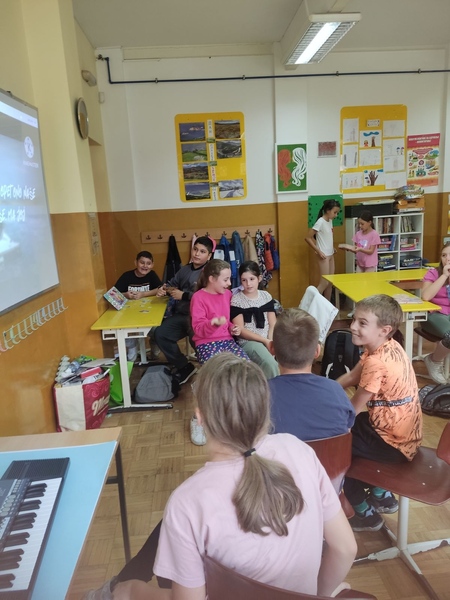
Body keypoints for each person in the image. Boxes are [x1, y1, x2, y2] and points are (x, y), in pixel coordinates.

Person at [96, 353, 357, 600]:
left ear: (200, 417)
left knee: (133, 585)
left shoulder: (188, 501)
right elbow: (346, 549)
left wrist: (131, 591)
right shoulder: (299, 449)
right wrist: (320, 594)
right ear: (264, 409)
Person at [337, 295, 423, 532]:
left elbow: (352, 410)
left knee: (336, 451)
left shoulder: (377, 363)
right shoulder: (389, 346)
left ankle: (363, 512)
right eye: (354, 319)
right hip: (403, 437)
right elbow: (352, 376)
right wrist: (325, 390)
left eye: (362, 323)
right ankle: (380, 494)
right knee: (351, 433)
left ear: (384, 330)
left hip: (392, 444)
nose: (353, 326)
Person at [269, 308, 355, 440]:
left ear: (271, 348)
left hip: (277, 454)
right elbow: (346, 432)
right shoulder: (336, 390)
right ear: (317, 351)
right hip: (329, 454)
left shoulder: (259, 394)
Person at [151, 236, 213, 385]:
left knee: (201, 344)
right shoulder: (184, 270)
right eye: (195, 249)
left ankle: (211, 374)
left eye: (202, 251)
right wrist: (164, 290)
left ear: (209, 255)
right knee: (160, 334)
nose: (197, 254)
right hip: (181, 315)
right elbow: (171, 284)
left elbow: (209, 297)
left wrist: (183, 295)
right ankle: (184, 366)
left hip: (200, 319)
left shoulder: (210, 273)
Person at [190, 259, 248, 365]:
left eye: (229, 279)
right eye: (225, 280)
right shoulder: (198, 297)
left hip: (228, 341)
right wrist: (213, 324)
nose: (229, 283)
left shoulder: (228, 294)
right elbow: (198, 329)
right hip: (205, 343)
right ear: (212, 279)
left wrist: (232, 327)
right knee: (217, 369)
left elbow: (227, 321)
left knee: (245, 366)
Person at [230, 261, 279, 379]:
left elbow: (272, 323)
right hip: (249, 342)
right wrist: (265, 341)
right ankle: (272, 388)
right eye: (244, 280)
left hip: (268, 338)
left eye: (252, 279)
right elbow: (241, 330)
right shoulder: (236, 300)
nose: (248, 284)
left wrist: (270, 341)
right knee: (270, 363)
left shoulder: (266, 296)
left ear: (259, 278)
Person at [114, 251, 162, 361]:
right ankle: (132, 352)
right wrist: (126, 295)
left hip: (150, 313)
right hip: (129, 315)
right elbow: (114, 294)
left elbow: (160, 289)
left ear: (152, 265)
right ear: (136, 262)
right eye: (142, 262)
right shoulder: (126, 276)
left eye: (148, 263)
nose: (145, 266)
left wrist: (143, 294)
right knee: (126, 332)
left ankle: (154, 352)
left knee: (157, 330)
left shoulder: (152, 275)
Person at [421, 241, 450, 383]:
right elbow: (426, 296)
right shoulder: (433, 273)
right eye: (444, 255)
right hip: (435, 315)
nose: (447, 259)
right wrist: (444, 276)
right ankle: (434, 360)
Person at [305, 199, 341, 301]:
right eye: (334, 212)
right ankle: (311, 302)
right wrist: (318, 251)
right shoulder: (320, 222)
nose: (336, 215)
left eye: (337, 213)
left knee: (330, 282)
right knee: (324, 282)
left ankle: (327, 305)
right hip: (323, 255)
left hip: (330, 254)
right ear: (328, 210)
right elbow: (307, 238)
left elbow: (326, 237)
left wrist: (332, 247)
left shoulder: (330, 221)